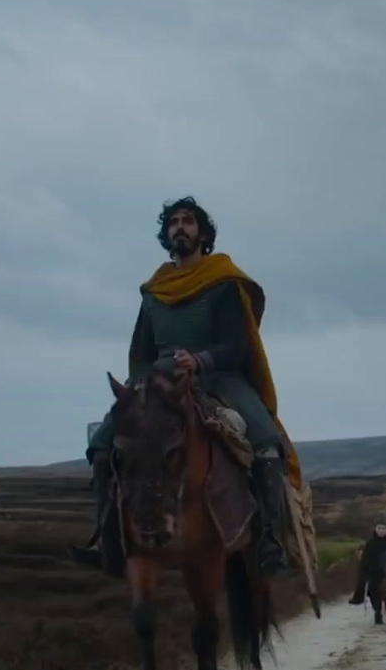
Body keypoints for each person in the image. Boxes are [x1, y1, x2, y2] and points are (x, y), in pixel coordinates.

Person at [73, 197, 302, 578]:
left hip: (220, 378)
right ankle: (108, 540)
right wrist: (145, 381)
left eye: (188, 222)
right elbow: (143, 351)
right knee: (101, 443)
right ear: (166, 234)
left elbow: (237, 345)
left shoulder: (223, 281)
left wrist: (200, 361)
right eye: (174, 222)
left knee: (266, 442)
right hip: (160, 379)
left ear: (203, 234)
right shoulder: (154, 291)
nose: (180, 227)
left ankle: (270, 543)